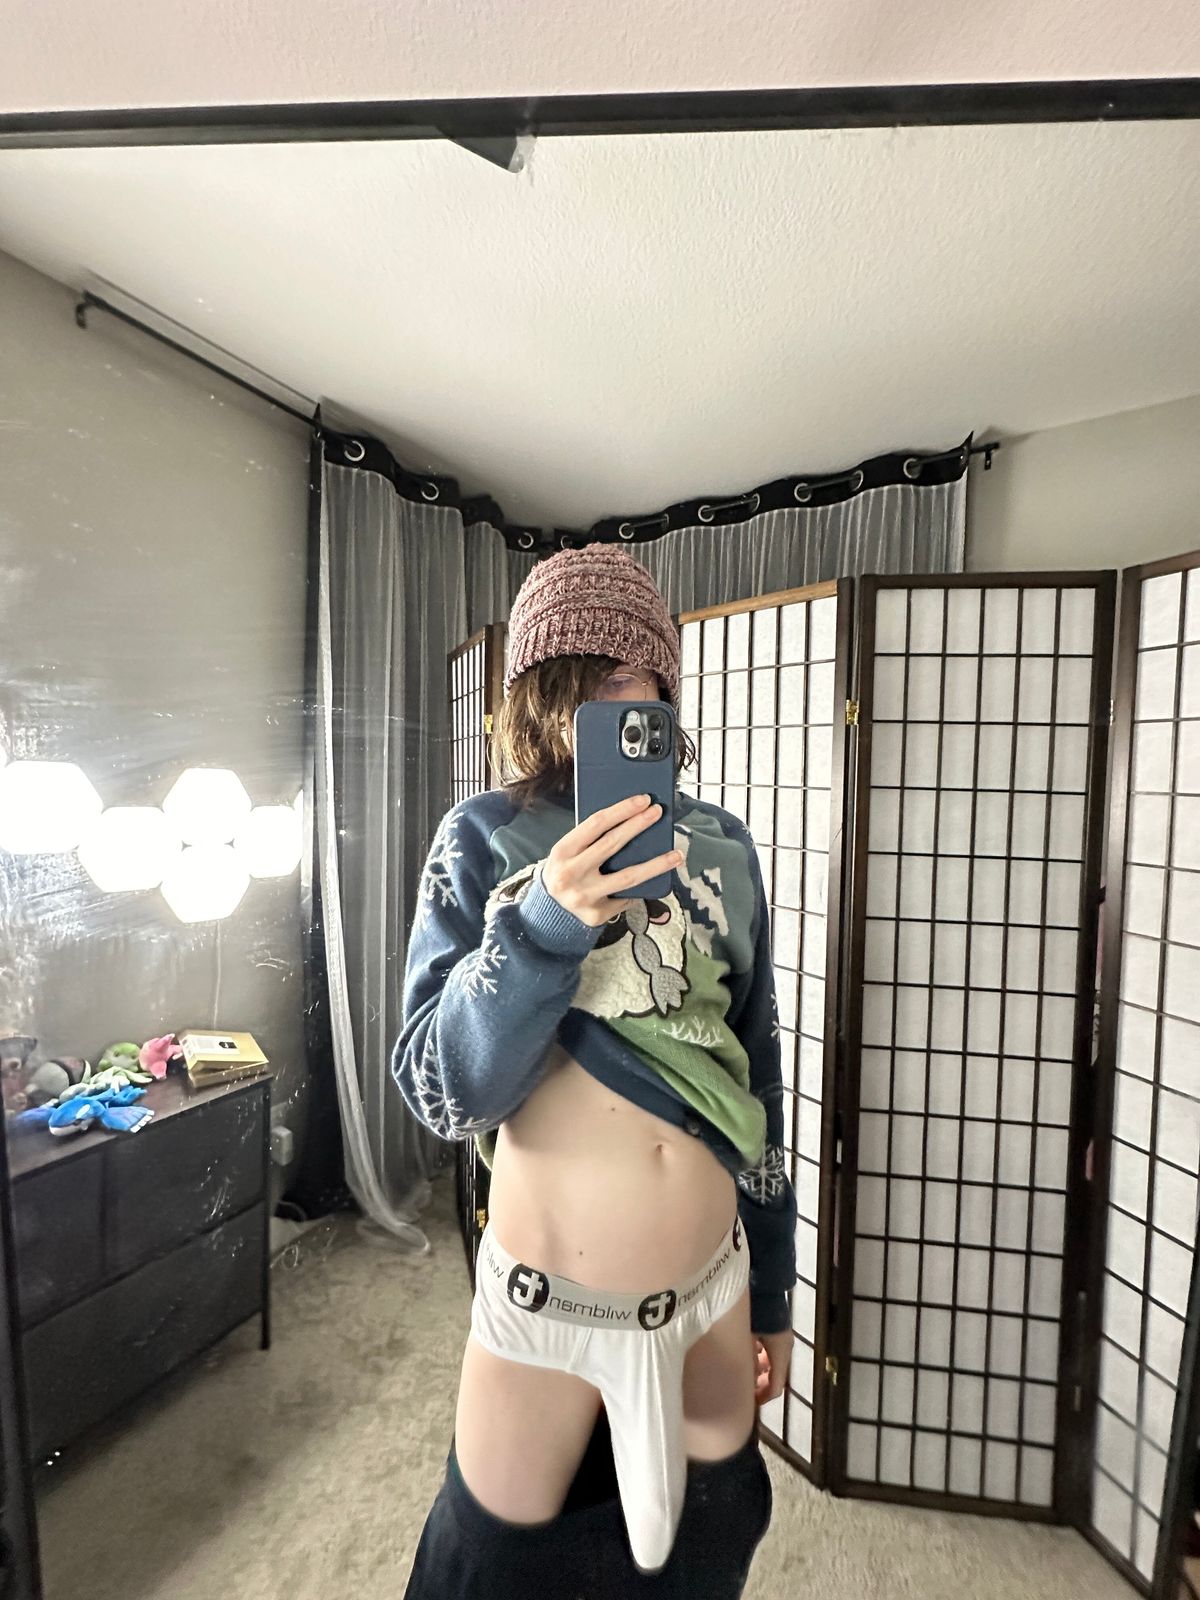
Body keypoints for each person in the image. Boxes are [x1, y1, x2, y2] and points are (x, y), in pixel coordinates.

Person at [393, 544, 798, 1597]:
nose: (623, 706)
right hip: (547, 1306)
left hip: (711, 1292)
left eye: (640, 682)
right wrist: (546, 919)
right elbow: (441, 1088)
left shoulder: (725, 846)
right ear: (542, 698)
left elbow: (759, 1082)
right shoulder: (483, 838)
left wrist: (774, 1293)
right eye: (591, 685)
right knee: (491, 1569)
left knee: (704, 1553)